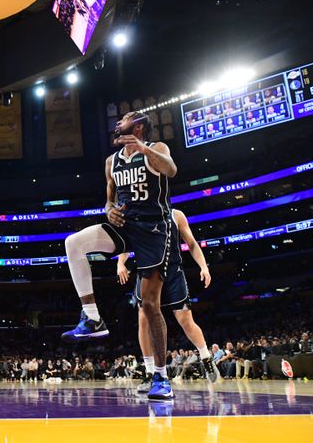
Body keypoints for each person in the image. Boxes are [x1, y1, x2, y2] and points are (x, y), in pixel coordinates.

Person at [62, 111, 179, 400]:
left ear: (138, 127)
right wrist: (108, 209)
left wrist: (143, 149)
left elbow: (171, 171)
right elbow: (109, 198)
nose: (117, 123)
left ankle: (161, 378)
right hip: (125, 226)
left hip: (153, 231)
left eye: (124, 120)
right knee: (73, 243)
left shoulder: (157, 149)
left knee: (150, 306)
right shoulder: (110, 162)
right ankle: (92, 318)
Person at [117, 208, 218, 393]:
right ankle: (149, 372)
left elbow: (192, 243)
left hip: (172, 272)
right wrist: (120, 263)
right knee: (143, 319)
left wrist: (204, 267)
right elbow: (128, 243)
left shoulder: (176, 215)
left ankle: (206, 357)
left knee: (185, 321)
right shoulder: (140, 212)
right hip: (147, 271)